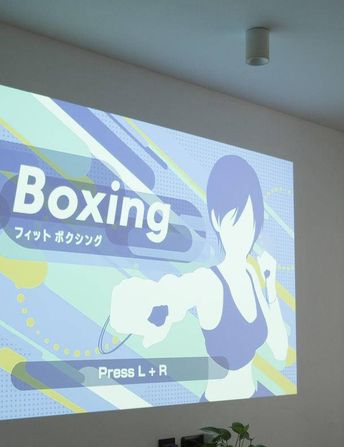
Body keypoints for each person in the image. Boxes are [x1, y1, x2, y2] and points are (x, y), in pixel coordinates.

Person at [109, 155, 288, 401]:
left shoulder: (250, 274)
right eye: (236, 220)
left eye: (251, 222)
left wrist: (270, 286)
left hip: (255, 401)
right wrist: (148, 311)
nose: (245, 233)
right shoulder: (208, 282)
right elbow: (168, 293)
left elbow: (279, 351)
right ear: (216, 220)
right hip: (217, 413)